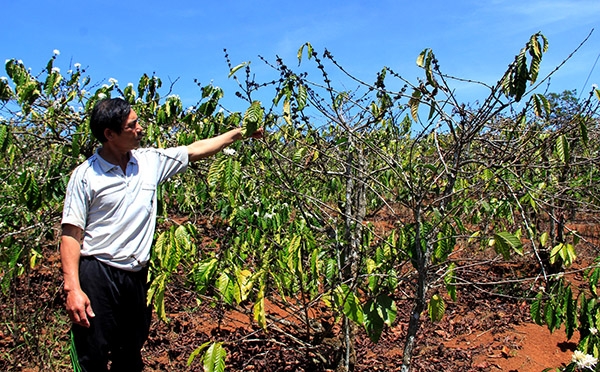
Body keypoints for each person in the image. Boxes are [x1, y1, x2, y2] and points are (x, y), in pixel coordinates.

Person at [60, 97, 263, 371]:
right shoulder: (85, 176)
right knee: (92, 354)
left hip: (136, 276)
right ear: (110, 134)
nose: (141, 128)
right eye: (133, 125)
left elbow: (195, 150)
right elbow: (71, 233)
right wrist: (73, 288)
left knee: (130, 351)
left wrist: (239, 134)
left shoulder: (149, 162)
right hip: (98, 274)